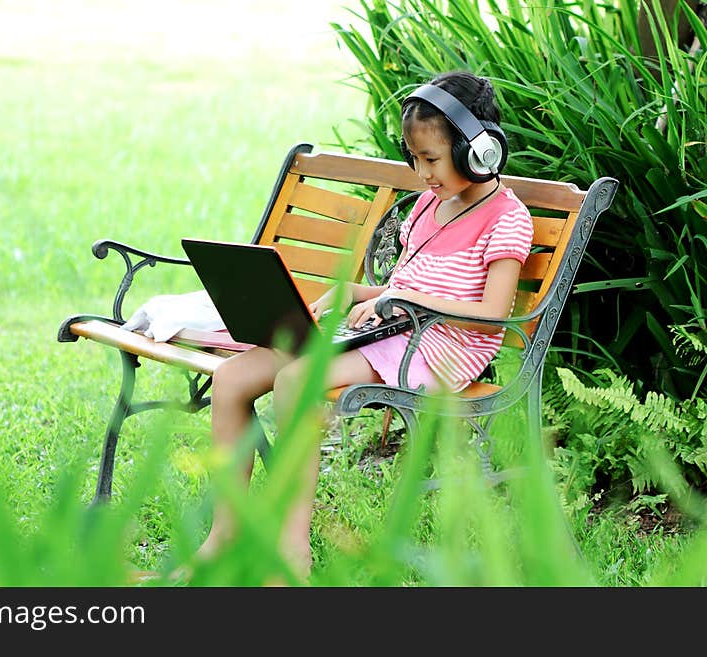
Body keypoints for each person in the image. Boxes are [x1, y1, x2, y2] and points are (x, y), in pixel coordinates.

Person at [198, 71, 534, 579]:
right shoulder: (428, 204)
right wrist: (354, 293)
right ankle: (222, 537)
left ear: (479, 151)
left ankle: (291, 555)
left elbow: (492, 316)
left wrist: (400, 298)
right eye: (415, 159)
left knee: (295, 380)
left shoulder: (508, 219)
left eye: (433, 160)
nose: (422, 173)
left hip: (442, 346)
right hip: (395, 330)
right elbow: (403, 286)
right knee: (231, 379)